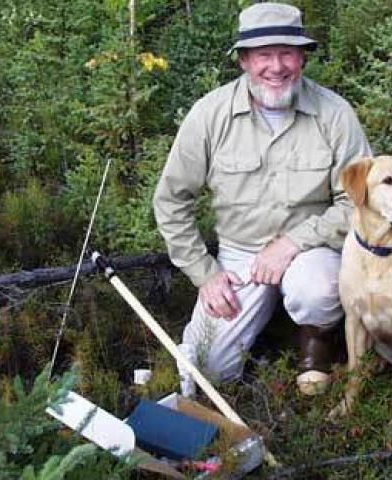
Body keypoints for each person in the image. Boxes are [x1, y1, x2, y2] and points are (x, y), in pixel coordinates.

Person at [153, 2, 372, 395]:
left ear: (302, 57)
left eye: (287, 52)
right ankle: (267, 325)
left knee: (317, 287)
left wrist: (292, 244)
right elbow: (171, 200)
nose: (277, 66)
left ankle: (318, 344)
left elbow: (360, 201)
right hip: (240, 256)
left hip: (313, 248)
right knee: (205, 371)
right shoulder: (209, 115)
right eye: (264, 55)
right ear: (243, 60)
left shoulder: (335, 114)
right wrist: (205, 274)